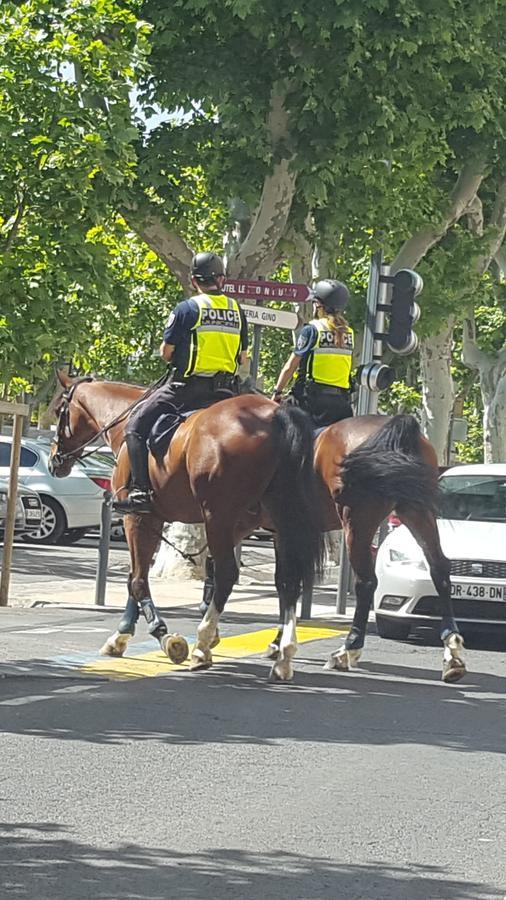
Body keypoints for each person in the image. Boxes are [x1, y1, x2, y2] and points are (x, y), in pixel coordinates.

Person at [115, 251, 248, 514]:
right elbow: (242, 358)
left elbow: (167, 353)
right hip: (227, 392)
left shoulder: (187, 309)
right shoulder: (237, 311)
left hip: (186, 389)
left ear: (193, 281)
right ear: (221, 279)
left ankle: (141, 491)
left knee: (134, 426)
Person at [271, 279, 354, 428]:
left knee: (278, 429)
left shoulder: (313, 329)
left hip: (313, 402)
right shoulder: (349, 333)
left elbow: (291, 366)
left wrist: (277, 391)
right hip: (342, 403)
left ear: (317, 304)